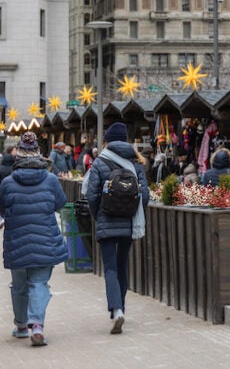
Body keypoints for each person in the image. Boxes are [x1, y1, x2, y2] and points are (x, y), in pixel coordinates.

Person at [0, 130, 69, 346]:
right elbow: (60, 203)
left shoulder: (8, 183)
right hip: (44, 239)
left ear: (18, 156)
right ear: (39, 155)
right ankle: (36, 324)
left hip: (17, 240)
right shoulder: (50, 180)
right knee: (38, 283)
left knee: (18, 285)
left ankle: (21, 325)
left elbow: (1, 208)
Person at [85, 122, 150, 334]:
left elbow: (92, 195)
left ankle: (116, 310)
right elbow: (145, 196)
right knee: (122, 266)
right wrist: (132, 210)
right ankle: (121, 307)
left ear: (108, 140)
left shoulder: (100, 162)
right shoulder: (135, 164)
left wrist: (98, 216)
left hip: (107, 220)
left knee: (110, 268)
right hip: (130, 222)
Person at [0, 144, 17, 229]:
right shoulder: (14, 168)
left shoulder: (0, 168)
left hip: (2, 188)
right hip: (13, 188)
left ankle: (2, 218)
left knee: (2, 204)